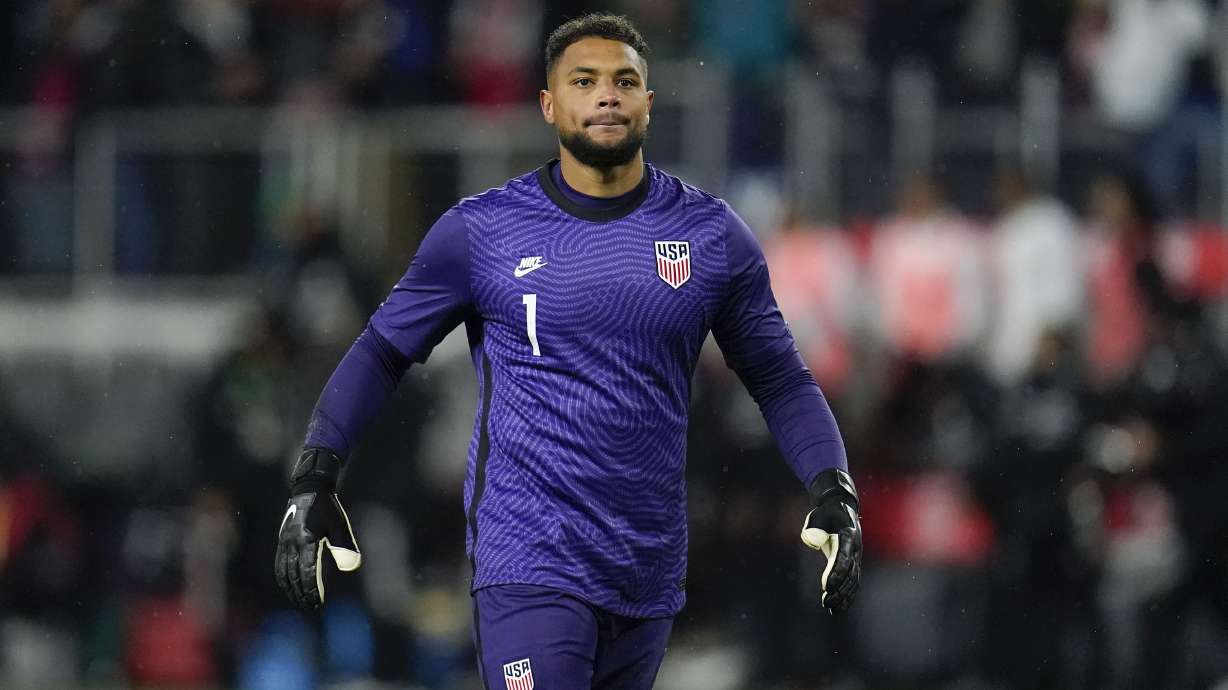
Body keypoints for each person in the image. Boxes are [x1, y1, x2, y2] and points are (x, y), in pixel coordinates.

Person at [273, 13, 862, 690]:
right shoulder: (481, 231)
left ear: (648, 101)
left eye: (624, 81)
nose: (606, 95)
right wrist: (315, 475)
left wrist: (832, 486)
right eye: (584, 81)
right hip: (528, 559)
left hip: (646, 572)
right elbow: (381, 352)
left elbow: (780, 379)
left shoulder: (709, 236)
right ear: (550, 104)